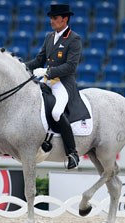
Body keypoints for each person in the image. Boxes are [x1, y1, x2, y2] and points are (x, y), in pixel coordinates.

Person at [26, 4, 87, 169]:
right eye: (51, 18)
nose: (51, 21)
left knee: (56, 111)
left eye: (55, 18)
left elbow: (71, 67)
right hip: (47, 80)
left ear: (64, 19)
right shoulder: (49, 37)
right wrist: (21, 67)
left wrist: (48, 71)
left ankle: (72, 153)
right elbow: (39, 60)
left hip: (63, 83)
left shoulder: (74, 39)